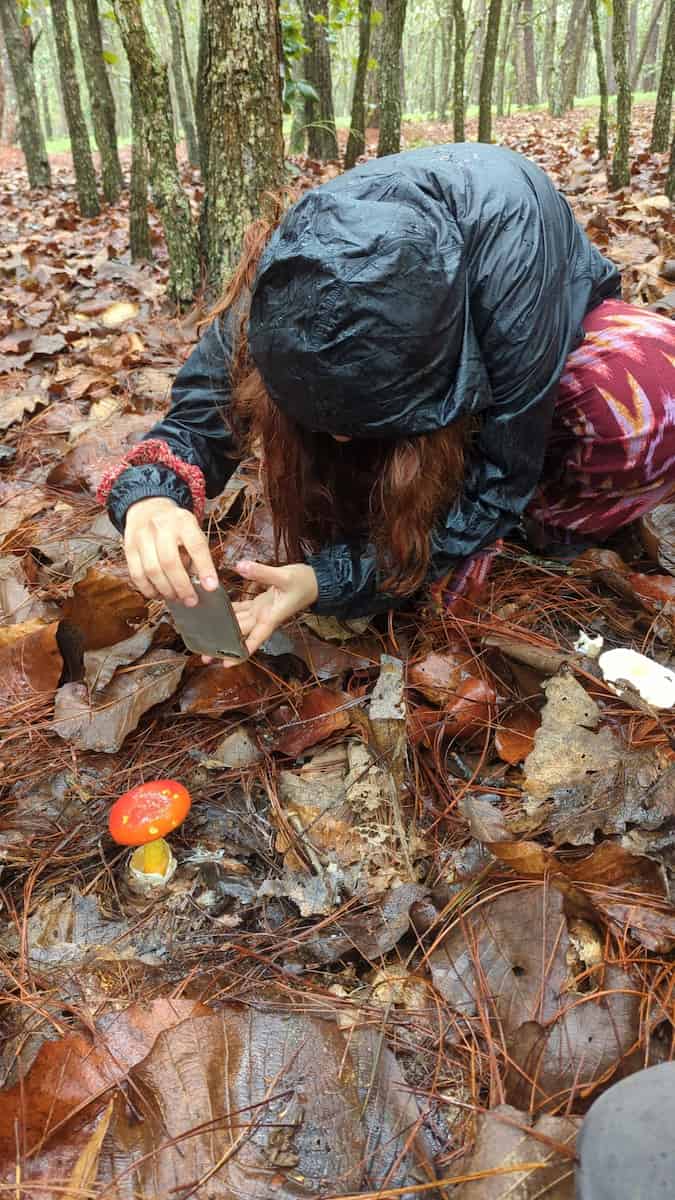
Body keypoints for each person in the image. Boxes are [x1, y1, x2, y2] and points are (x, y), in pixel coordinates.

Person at [99, 144, 675, 659]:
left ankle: (534, 533)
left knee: (649, 394)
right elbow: (202, 411)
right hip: (422, 398)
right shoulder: (288, 277)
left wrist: (333, 579)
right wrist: (154, 497)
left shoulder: (512, 288)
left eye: (360, 425)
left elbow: (501, 479)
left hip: (536, 328)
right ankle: (397, 530)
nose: (339, 439)